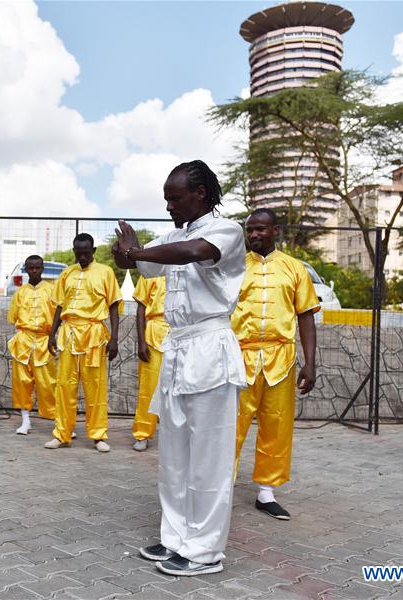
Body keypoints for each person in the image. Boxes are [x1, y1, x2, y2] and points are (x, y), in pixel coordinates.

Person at [113, 159, 246, 576]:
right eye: (166, 198)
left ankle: (204, 552)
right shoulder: (171, 235)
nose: (168, 205)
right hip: (177, 350)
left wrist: (137, 252)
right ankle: (175, 538)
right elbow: (138, 264)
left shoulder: (227, 230)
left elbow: (195, 253)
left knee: (209, 457)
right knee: (174, 456)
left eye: (174, 197)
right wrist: (126, 253)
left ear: (200, 194)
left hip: (210, 346)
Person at [232, 208, 319, 521]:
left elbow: (306, 315)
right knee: (231, 424)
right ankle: (218, 486)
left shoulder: (294, 269)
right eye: (250, 230)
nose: (254, 235)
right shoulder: (234, 267)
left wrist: (310, 363)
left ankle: (266, 492)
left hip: (281, 359)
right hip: (238, 357)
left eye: (260, 229)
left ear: (275, 231)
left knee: (277, 424)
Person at [45, 233, 121, 453]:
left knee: (94, 386)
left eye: (86, 253)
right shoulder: (67, 273)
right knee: (64, 386)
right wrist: (52, 333)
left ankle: (98, 436)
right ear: (74, 252)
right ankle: (62, 434)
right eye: (78, 253)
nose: (83, 257)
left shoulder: (105, 272)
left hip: (94, 334)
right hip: (68, 333)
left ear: (94, 251)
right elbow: (59, 305)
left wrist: (114, 338)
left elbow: (114, 305)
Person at [7, 255, 57, 435]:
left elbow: (58, 317)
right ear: (26, 269)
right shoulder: (20, 293)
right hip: (23, 342)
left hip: (44, 341)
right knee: (22, 382)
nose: (34, 271)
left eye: (37, 268)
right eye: (30, 268)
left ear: (42, 268)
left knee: (49, 383)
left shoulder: (52, 290)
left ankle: (58, 422)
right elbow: (13, 318)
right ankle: (25, 421)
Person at [131, 275, 169, 452]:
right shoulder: (150, 270)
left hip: (182, 334)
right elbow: (141, 308)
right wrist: (141, 342)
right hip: (154, 333)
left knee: (182, 389)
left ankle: (178, 435)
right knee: (148, 387)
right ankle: (142, 433)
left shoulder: (190, 266)